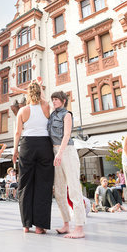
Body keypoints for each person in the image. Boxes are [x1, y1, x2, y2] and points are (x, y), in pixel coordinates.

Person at [12, 81, 54, 234]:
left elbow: (17, 132)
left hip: (27, 145)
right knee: (43, 185)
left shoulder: (22, 110)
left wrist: (15, 151)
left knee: (25, 185)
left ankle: (26, 224)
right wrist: (39, 87)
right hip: (44, 144)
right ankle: (40, 226)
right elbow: (43, 99)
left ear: (27, 95)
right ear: (40, 92)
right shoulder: (46, 107)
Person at [48, 90, 85, 239]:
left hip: (66, 152)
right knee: (59, 191)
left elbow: (67, 134)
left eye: (56, 99)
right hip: (55, 152)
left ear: (63, 101)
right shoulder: (52, 114)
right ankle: (66, 224)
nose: (54, 102)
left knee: (74, 190)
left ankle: (79, 227)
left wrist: (60, 153)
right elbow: (41, 97)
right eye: (53, 100)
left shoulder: (67, 114)